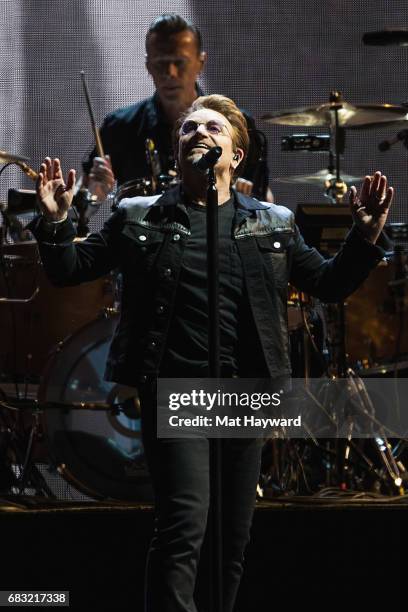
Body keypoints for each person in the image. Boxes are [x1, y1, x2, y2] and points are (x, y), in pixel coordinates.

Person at [30, 94, 393, 612]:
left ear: (236, 155)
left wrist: (365, 236)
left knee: (231, 540)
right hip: (177, 389)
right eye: (188, 129)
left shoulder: (274, 222)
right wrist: (56, 223)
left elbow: (329, 284)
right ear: (178, 151)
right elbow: (68, 268)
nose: (198, 133)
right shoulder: (139, 216)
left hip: (248, 391)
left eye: (213, 128)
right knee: (184, 526)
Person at [81, 13, 270, 203]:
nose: (170, 73)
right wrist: (93, 196)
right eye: (161, 63)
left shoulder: (235, 123)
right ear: (148, 65)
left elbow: (265, 200)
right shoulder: (119, 126)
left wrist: (249, 199)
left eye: (179, 62)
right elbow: (82, 200)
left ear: (201, 63)